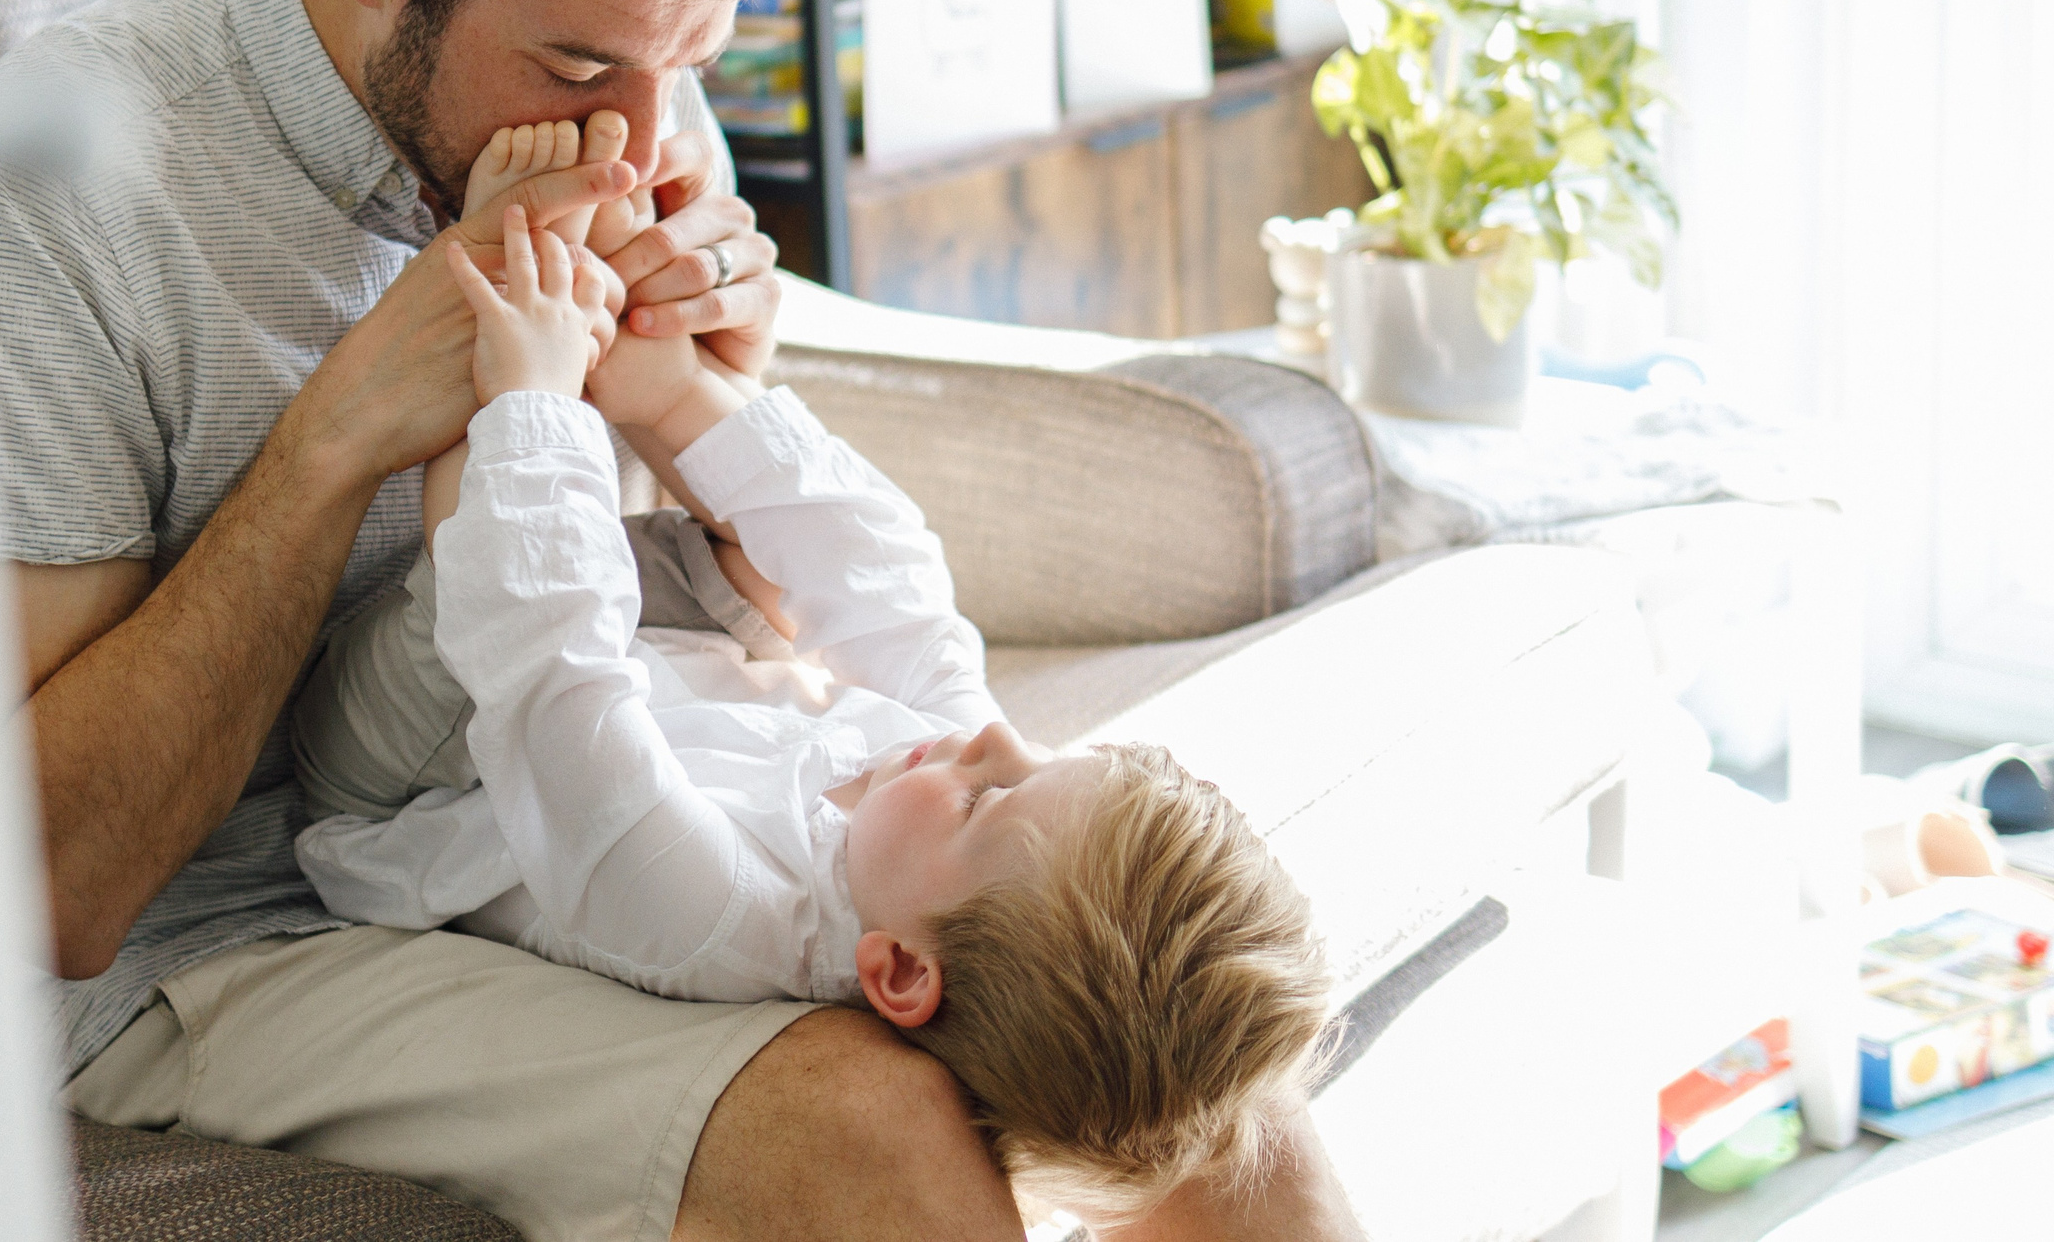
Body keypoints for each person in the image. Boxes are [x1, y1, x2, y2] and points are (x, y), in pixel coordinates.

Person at [0, 0, 1370, 1242]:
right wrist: (342, 433)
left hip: (611, 766)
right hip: (238, 917)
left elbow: (773, 596)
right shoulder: (55, 194)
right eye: (579, 63)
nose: (639, 138)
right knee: (871, 1127)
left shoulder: (622, 60)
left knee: (1205, 1075)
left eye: (689, 62)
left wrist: (708, 402)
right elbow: (58, 881)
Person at [290, 125, 1333, 1226]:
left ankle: (505, 277)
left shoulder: (707, 910)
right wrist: (673, 391)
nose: (991, 739)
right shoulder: (936, 816)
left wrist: (536, 395)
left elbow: (549, 670)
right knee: (776, 580)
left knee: (507, 585)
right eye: (1045, 757)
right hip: (657, 681)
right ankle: (593, 301)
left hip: (417, 778)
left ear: (899, 974)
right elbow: (882, 570)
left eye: (990, 798)